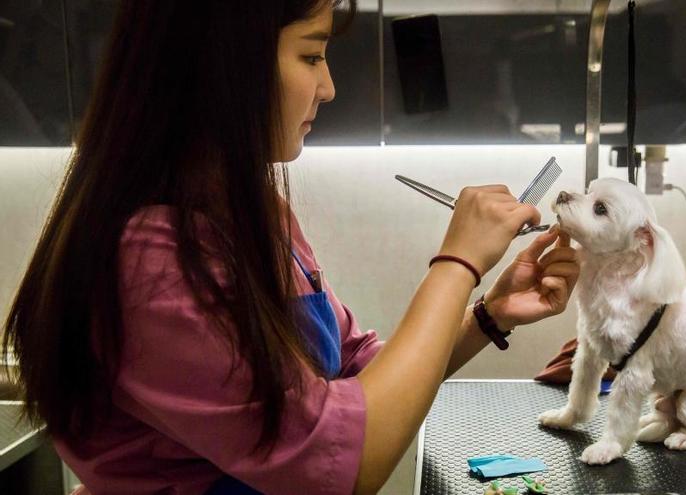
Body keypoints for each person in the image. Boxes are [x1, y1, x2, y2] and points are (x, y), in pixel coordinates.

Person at [3, 1, 579, 494]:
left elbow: (354, 376)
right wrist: (457, 264)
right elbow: (344, 460)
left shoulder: (249, 207)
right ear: (224, 65)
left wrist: (486, 315)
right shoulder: (150, 262)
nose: (327, 87)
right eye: (310, 56)